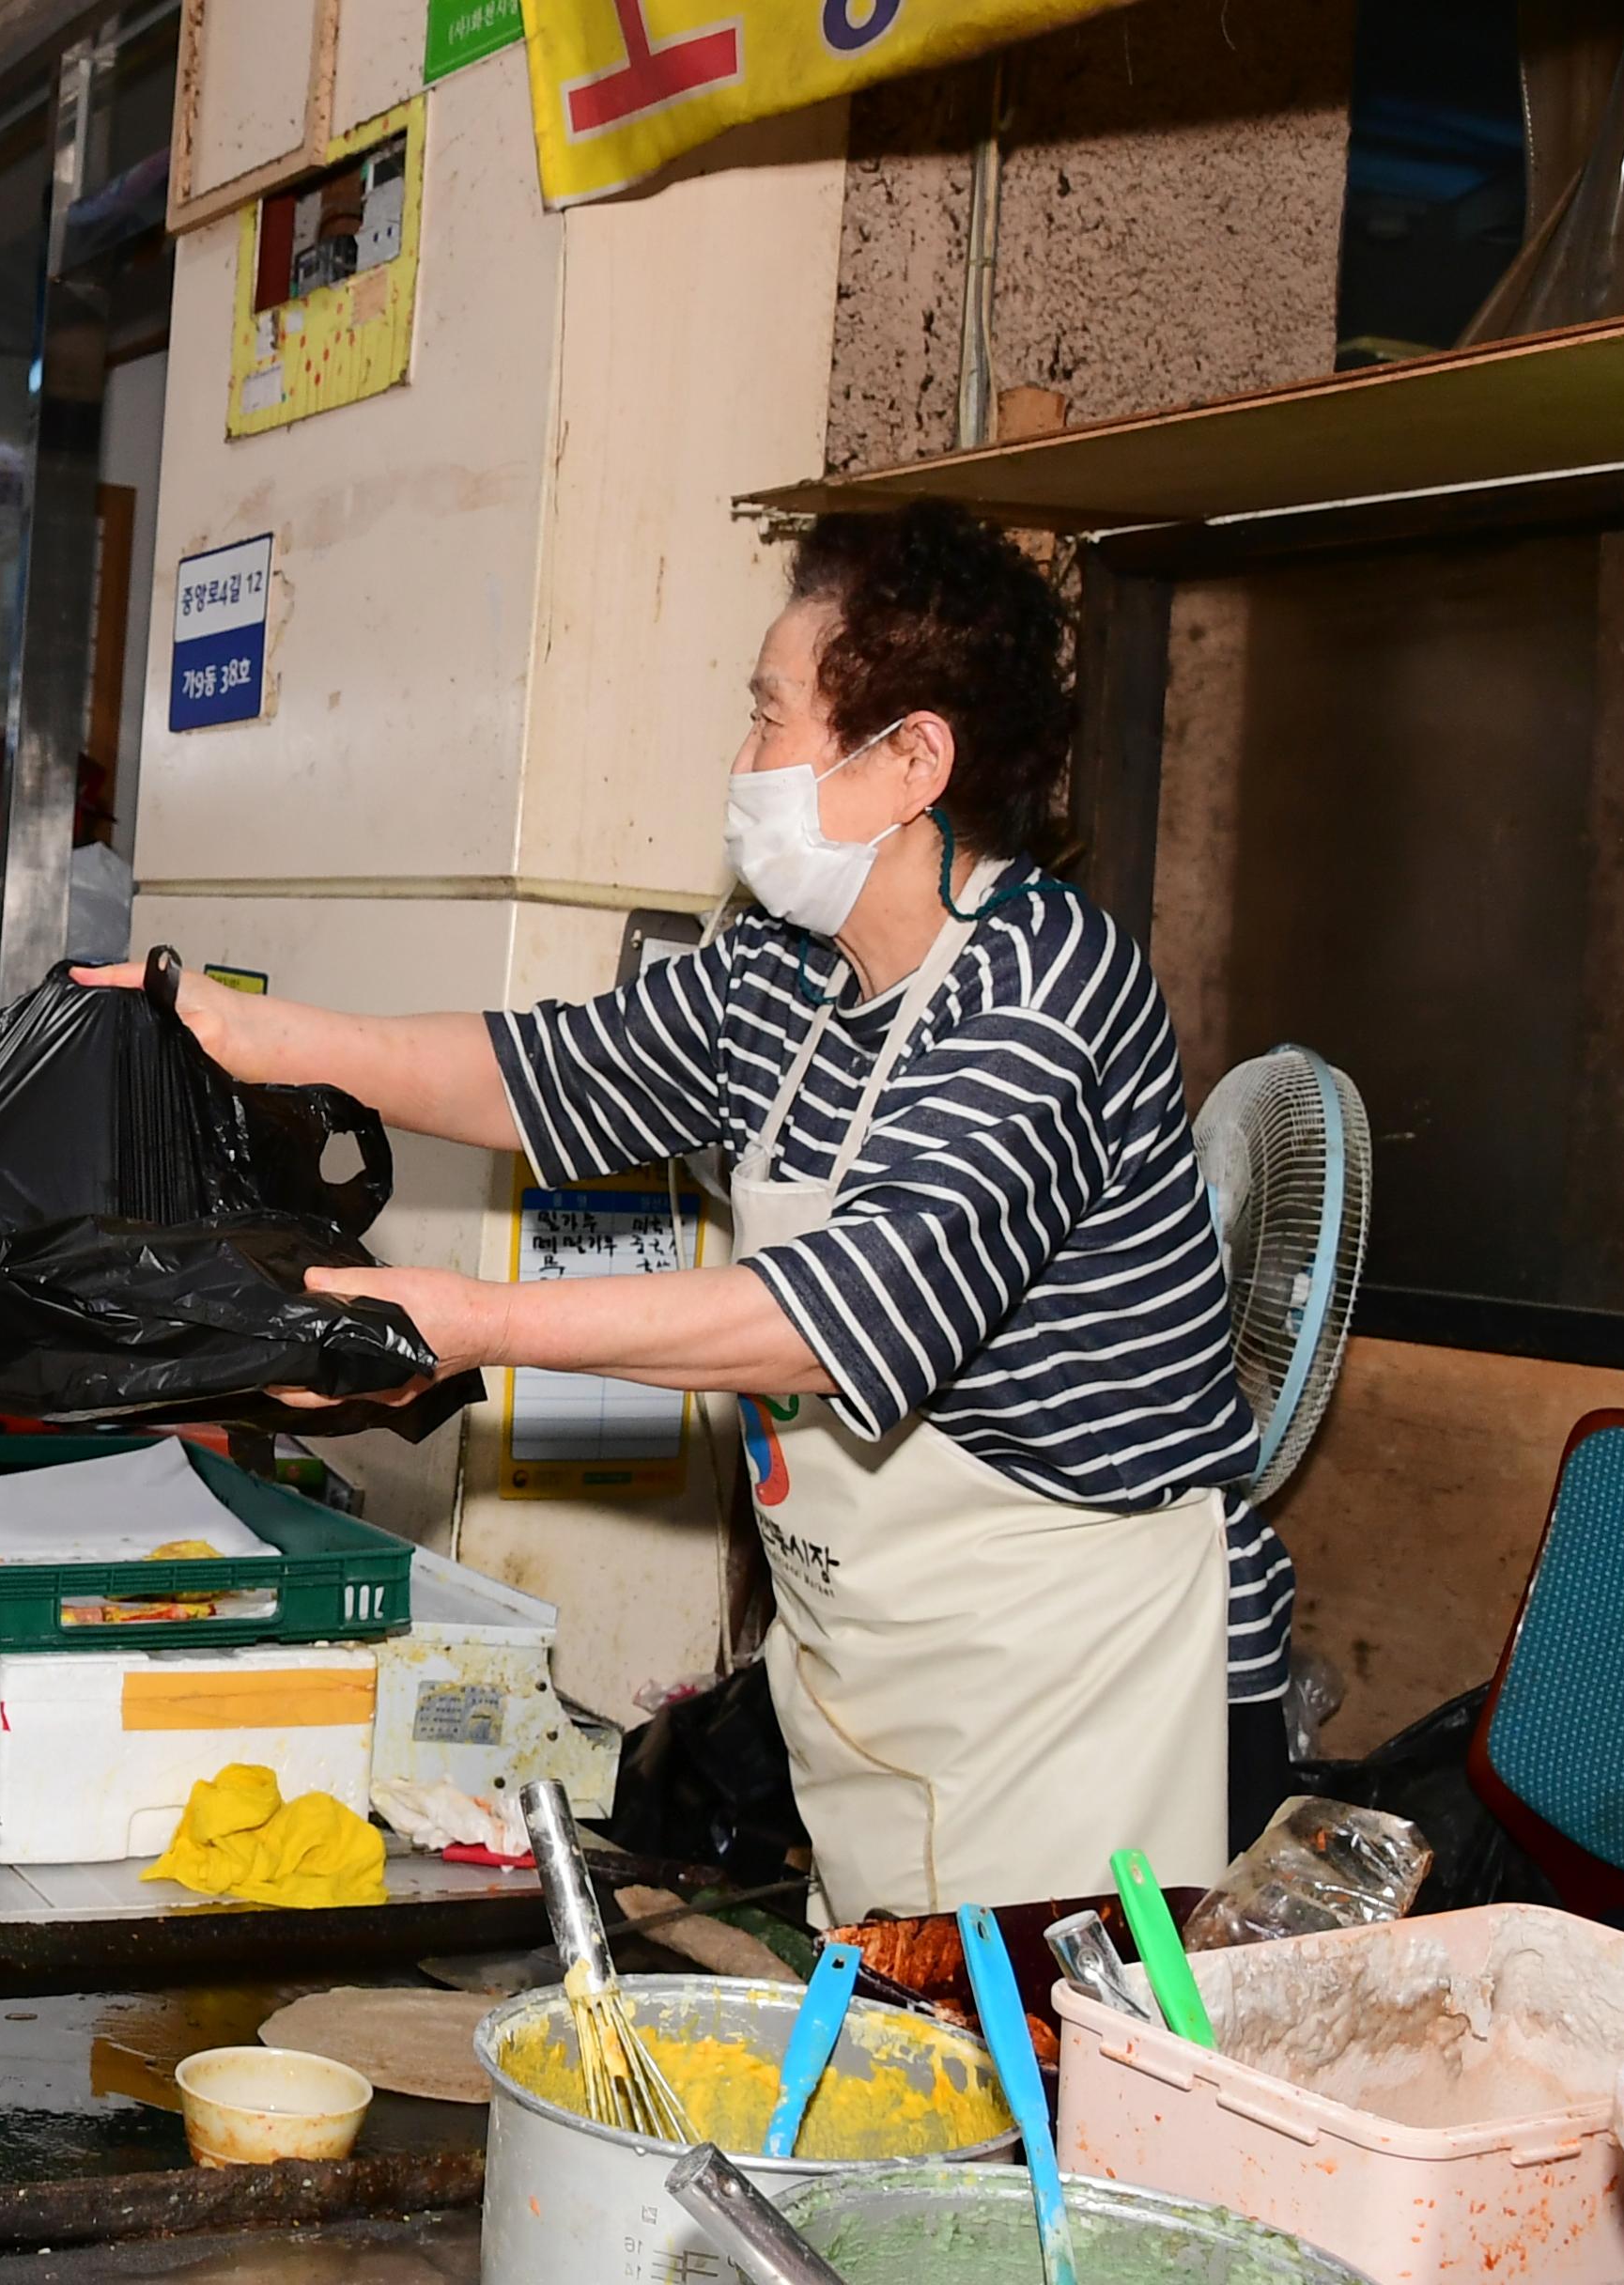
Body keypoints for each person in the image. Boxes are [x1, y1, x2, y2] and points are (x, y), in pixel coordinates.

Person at [84, 503, 1287, 1921]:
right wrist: (265, 1038)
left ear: (910, 759)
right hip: (896, 1675)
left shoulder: (1042, 994)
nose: (742, 765)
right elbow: (544, 1074)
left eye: (771, 719)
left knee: (1069, 2109)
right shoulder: (780, 968)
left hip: (1102, 1694)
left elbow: (825, 1320)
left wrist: (462, 1320)